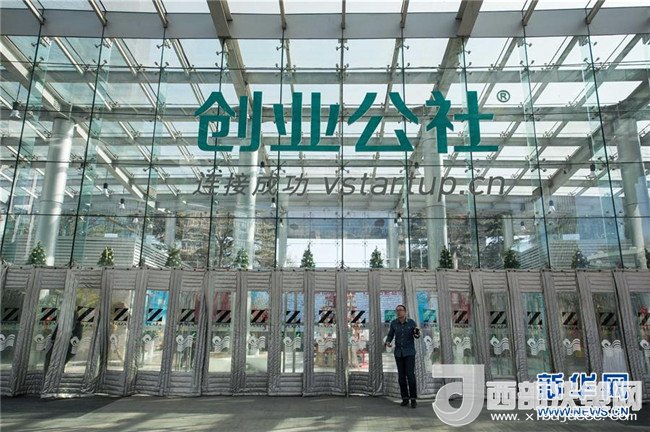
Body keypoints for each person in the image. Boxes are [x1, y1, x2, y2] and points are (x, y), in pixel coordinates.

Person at [384, 304, 420, 408]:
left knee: (410, 375)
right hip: (398, 353)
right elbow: (390, 335)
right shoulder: (394, 323)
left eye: (401, 310)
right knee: (401, 377)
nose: (399, 312)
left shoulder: (411, 322)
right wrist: (388, 342)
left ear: (405, 312)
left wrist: (417, 333)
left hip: (409, 353)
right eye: (397, 310)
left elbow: (416, 335)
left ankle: (413, 399)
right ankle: (405, 398)